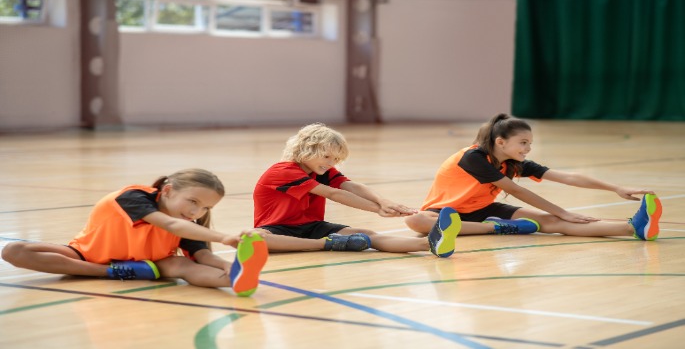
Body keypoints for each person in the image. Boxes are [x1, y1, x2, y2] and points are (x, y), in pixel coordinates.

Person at [250, 122, 526, 258]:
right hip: (278, 229)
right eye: (327, 157)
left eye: (335, 160)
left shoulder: (319, 170)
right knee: (254, 238)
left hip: (311, 224)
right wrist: (376, 209)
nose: (331, 164)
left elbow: (350, 185)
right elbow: (334, 194)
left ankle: (429, 243)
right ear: (308, 150)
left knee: (369, 235)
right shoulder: (283, 170)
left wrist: (383, 202)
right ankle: (326, 245)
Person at [1, 168, 269, 297]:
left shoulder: (189, 221)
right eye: (193, 202)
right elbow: (170, 225)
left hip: (153, 264)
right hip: (88, 255)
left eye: (205, 208)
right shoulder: (134, 197)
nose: (197, 212)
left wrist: (232, 265)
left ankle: (233, 281)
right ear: (167, 191)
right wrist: (225, 238)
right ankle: (111, 272)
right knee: (14, 250)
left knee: (184, 265)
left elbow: (202, 255)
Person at [404, 113, 662, 242]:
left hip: (485, 208)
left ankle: (633, 228)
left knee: (551, 223)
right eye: (523, 142)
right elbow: (516, 191)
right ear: (500, 142)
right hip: (445, 211)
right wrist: (563, 211)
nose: (528, 148)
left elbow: (569, 177)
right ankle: (496, 228)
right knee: (417, 221)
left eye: (530, 143)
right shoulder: (472, 158)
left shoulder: (513, 162)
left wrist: (616, 187)